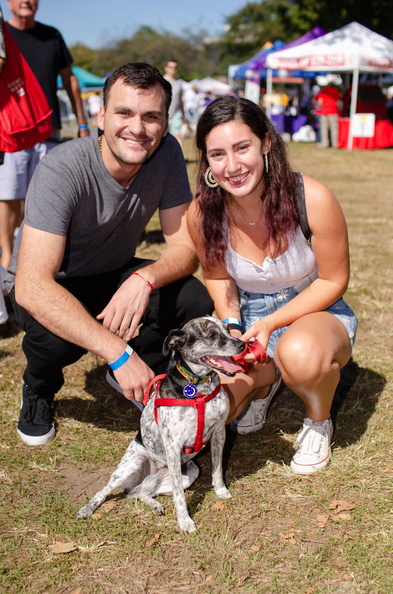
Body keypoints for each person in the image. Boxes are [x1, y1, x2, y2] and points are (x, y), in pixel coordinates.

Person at [5, 62, 213, 447]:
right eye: (124, 112)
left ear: (165, 123)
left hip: (115, 273)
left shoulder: (166, 153)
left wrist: (143, 277)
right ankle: (39, 388)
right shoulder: (62, 168)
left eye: (151, 116)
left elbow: (185, 249)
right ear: (101, 116)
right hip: (56, 282)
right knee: (56, 344)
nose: (137, 128)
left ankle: (143, 371)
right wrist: (117, 351)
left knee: (192, 299)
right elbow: (31, 285)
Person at [187, 96, 358, 475]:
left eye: (242, 147)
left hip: (315, 309)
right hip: (248, 317)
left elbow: (333, 279)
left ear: (266, 143)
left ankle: (318, 419)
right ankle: (264, 385)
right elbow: (217, 277)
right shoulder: (201, 212)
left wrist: (272, 324)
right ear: (207, 162)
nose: (232, 166)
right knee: (212, 405)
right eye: (217, 154)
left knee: (298, 354)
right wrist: (232, 327)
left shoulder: (310, 196)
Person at [0, 0, 89, 271]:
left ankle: (35, 258)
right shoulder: (2, 34)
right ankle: (6, 258)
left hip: (48, 130)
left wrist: (83, 123)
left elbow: (70, 78)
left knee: (45, 196)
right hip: (11, 130)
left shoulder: (52, 35)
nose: (26, 1)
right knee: (8, 195)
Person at [163, 59, 186, 150]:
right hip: (164, 113)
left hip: (176, 113)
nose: (173, 69)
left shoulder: (179, 83)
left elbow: (180, 99)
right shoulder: (161, 81)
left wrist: (183, 113)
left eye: (175, 67)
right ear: (166, 68)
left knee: (177, 135)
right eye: (170, 67)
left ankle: (179, 158)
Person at [315, 83, 341, 148]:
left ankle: (324, 144)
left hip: (324, 112)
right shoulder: (336, 91)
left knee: (324, 129)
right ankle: (335, 144)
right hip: (333, 111)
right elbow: (338, 102)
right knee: (334, 129)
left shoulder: (324, 90)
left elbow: (320, 101)